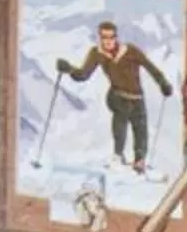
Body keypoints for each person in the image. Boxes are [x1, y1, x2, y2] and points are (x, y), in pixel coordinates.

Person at [58, 20, 174, 174]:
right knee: (120, 117)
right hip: (117, 95)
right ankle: (118, 155)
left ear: (116, 37)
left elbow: (150, 67)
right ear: (100, 37)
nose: (107, 41)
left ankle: (139, 160)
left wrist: (163, 83)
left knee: (140, 128)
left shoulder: (130, 51)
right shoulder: (97, 53)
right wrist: (69, 69)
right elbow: (83, 75)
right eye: (104, 37)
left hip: (137, 97)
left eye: (111, 37)